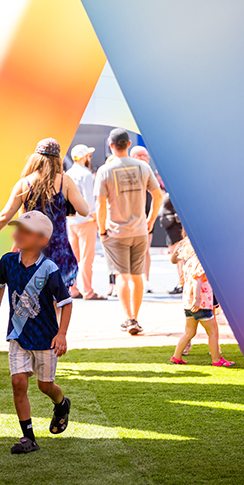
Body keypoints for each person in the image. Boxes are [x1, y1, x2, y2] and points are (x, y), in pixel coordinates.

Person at [0, 211, 73, 454]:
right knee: (18, 382)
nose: (19, 234)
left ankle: (61, 404)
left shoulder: (49, 268)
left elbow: (66, 303)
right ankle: (28, 437)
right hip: (18, 335)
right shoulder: (7, 261)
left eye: (27, 230)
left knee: (46, 386)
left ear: (43, 239)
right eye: (18, 229)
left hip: (45, 338)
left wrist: (61, 334)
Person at [0, 138, 88, 288]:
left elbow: (5, 216)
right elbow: (84, 210)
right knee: (55, 300)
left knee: (31, 299)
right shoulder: (65, 181)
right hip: (58, 250)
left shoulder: (24, 183)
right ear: (57, 159)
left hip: (30, 251)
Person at [95, 129, 163, 335]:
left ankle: (129, 318)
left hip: (116, 231)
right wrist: (150, 221)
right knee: (137, 275)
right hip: (140, 230)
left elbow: (100, 204)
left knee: (122, 276)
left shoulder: (105, 170)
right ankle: (136, 317)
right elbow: (158, 196)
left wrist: (102, 230)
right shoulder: (143, 167)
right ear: (129, 143)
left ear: (111, 144)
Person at [169, 234, 235, 367]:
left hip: (188, 304)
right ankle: (217, 360)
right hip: (201, 304)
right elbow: (197, 280)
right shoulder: (200, 262)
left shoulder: (189, 263)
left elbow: (184, 280)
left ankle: (176, 356)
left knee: (189, 332)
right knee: (213, 332)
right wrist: (197, 300)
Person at [66, 144, 106, 300]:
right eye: (88, 155)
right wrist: (96, 218)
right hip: (86, 220)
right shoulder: (87, 174)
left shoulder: (68, 173)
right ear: (83, 157)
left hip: (71, 221)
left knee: (73, 258)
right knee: (86, 258)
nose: (90, 158)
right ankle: (88, 291)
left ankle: (73, 289)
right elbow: (90, 200)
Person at [130, 146, 154, 288]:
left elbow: (156, 195)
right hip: (131, 216)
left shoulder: (147, 171)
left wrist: (150, 218)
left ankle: (145, 280)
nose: (148, 158)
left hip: (145, 215)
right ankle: (135, 281)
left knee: (145, 250)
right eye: (145, 155)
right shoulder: (131, 169)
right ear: (137, 156)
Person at [159, 193, 184, 294]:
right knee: (177, 257)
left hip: (175, 225)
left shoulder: (175, 191)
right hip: (170, 225)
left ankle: (182, 283)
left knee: (179, 257)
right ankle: (181, 282)